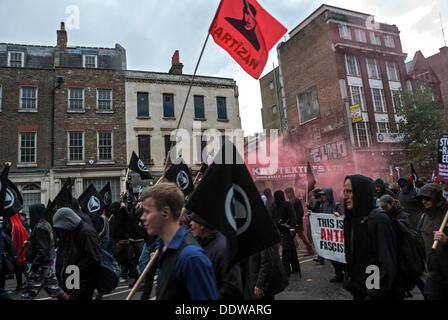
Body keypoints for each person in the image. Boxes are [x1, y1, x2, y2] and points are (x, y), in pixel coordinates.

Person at [139, 182, 218, 300]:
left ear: (166, 212)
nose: (142, 217)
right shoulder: (163, 247)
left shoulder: (191, 257)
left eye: (148, 211)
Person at [343, 175, 404, 300]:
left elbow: (386, 263)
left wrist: (373, 293)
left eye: (349, 191)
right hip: (359, 291)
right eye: (344, 191)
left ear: (361, 192)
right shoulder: (350, 219)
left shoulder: (379, 219)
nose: (345, 196)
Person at [189, 212, 243, 300]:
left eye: (194, 221)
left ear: (202, 226)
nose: (191, 223)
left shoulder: (224, 248)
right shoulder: (197, 243)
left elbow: (232, 287)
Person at [21, 204, 69, 300]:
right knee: (54, 288)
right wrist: (31, 243)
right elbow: (48, 243)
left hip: (41, 266)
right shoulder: (46, 224)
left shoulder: (39, 227)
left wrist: (34, 266)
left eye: (31, 212)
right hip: (47, 263)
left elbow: (43, 250)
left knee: (28, 292)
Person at [53, 207, 102, 300]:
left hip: (84, 280)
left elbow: (94, 258)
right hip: (74, 277)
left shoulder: (86, 232)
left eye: (61, 228)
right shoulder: (72, 233)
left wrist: (75, 268)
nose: (61, 231)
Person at [415, 183, 448, 300]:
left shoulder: (447, 215)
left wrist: (446, 240)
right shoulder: (424, 217)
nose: (424, 201)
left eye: (427, 198)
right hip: (434, 274)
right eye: (421, 198)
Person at [320, 187, 345, 283]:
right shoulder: (324, 205)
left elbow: (343, 217)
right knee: (332, 257)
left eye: (324, 194)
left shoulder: (336, 205)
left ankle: (345, 273)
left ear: (329, 195)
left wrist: (338, 215)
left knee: (339, 256)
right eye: (322, 194)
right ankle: (338, 274)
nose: (322, 196)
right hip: (328, 236)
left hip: (336, 236)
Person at [272, 190, 300, 276]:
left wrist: (292, 227)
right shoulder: (276, 206)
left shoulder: (286, 205)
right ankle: (295, 268)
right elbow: (274, 218)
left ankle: (286, 270)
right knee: (291, 249)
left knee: (286, 251)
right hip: (283, 231)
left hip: (287, 231)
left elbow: (292, 216)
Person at [284, 187, 314, 256]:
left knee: (302, 236)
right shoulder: (290, 201)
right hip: (293, 222)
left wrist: (296, 221)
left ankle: (310, 249)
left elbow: (300, 212)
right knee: (292, 237)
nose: (286, 195)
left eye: (287, 193)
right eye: (286, 194)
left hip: (297, 222)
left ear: (291, 193)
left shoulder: (296, 201)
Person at [9, 212, 29, 293]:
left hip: (18, 251)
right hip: (21, 251)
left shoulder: (15, 226)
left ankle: (21, 284)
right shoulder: (19, 226)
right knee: (21, 268)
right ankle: (23, 283)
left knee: (20, 268)